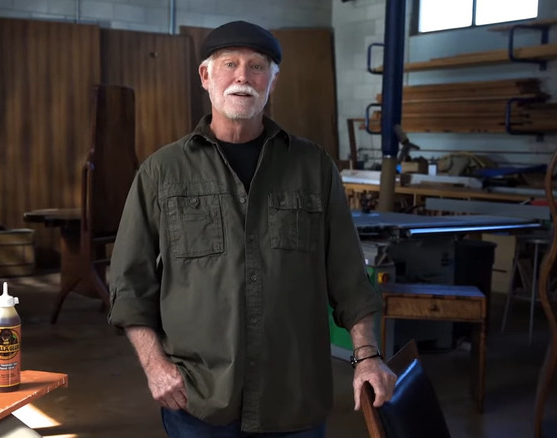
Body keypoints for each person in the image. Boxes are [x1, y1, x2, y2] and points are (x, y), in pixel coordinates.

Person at [107, 20, 397, 437]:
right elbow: (130, 282)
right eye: (230, 64)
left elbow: (350, 278)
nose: (243, 76)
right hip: (198, 400)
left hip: (293, 398)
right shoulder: (161, 172)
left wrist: (367, 356)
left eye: (257, 66)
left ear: (272, 82)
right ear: (206, 76)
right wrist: (156, 367)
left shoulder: (313, 167)